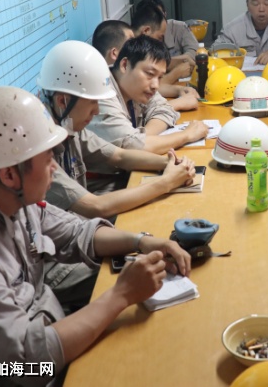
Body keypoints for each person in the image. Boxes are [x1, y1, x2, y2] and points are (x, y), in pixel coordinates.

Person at [0, 85, 191, 386]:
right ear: (9, 174)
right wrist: (121, 295)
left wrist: (141, 241)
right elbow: (30, 362)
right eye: (47, 158)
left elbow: (76, 231)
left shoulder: (9, 199)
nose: (54, 167)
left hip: (48, 338)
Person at [37, 40, 195, 310]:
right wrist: (166, 182)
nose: (97, 111)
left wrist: (168, 163)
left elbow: (118, 155)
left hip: (77, 236)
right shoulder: (41, 150)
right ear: (63, 100)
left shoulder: (67, 123)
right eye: (92, 103)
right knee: (144, 272)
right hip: (53, 263)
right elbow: (95, 206)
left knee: (151, 249)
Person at [88, 35, 209, 154]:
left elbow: (164, 109)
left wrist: (141, 138)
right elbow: (134, 148)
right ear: (125, 65)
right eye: (150, 74)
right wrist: (187, 135)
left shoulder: (135, 87)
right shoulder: (101, 94)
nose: (155, 85)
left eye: (160, 77)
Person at [93, 19, 199, 112]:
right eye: (130, 42)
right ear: (116, 55)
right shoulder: (102, 91)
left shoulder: (128, 80)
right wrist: (178, 103)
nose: (135, 46)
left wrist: (178, 90)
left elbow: (154, 97)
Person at [129, 4, 200, 109]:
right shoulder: (129, 53)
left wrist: (179, 90)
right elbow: (149, 91)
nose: (161, 43)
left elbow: (152, 91)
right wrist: (179, 103)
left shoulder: (137, 49)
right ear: (146, 31)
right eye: (160, 37)